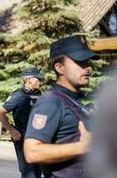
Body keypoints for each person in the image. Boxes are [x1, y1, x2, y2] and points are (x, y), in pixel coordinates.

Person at [24, 35, 97, 178]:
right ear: (59, 67)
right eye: (80, 62)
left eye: (87, 61)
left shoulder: (72, 100)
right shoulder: (50, 102)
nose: (88, 68)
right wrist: (82, 147)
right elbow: (32, 152)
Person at [0, 67, 43, 178]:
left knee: (38, 171)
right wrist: (12, 130)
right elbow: (1, 113)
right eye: (38, 79)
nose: (40, 81)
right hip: (23, 139)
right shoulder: (19, 95)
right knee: (29, 172)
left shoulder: (38, 94)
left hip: (38, 139)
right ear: (29, 80)